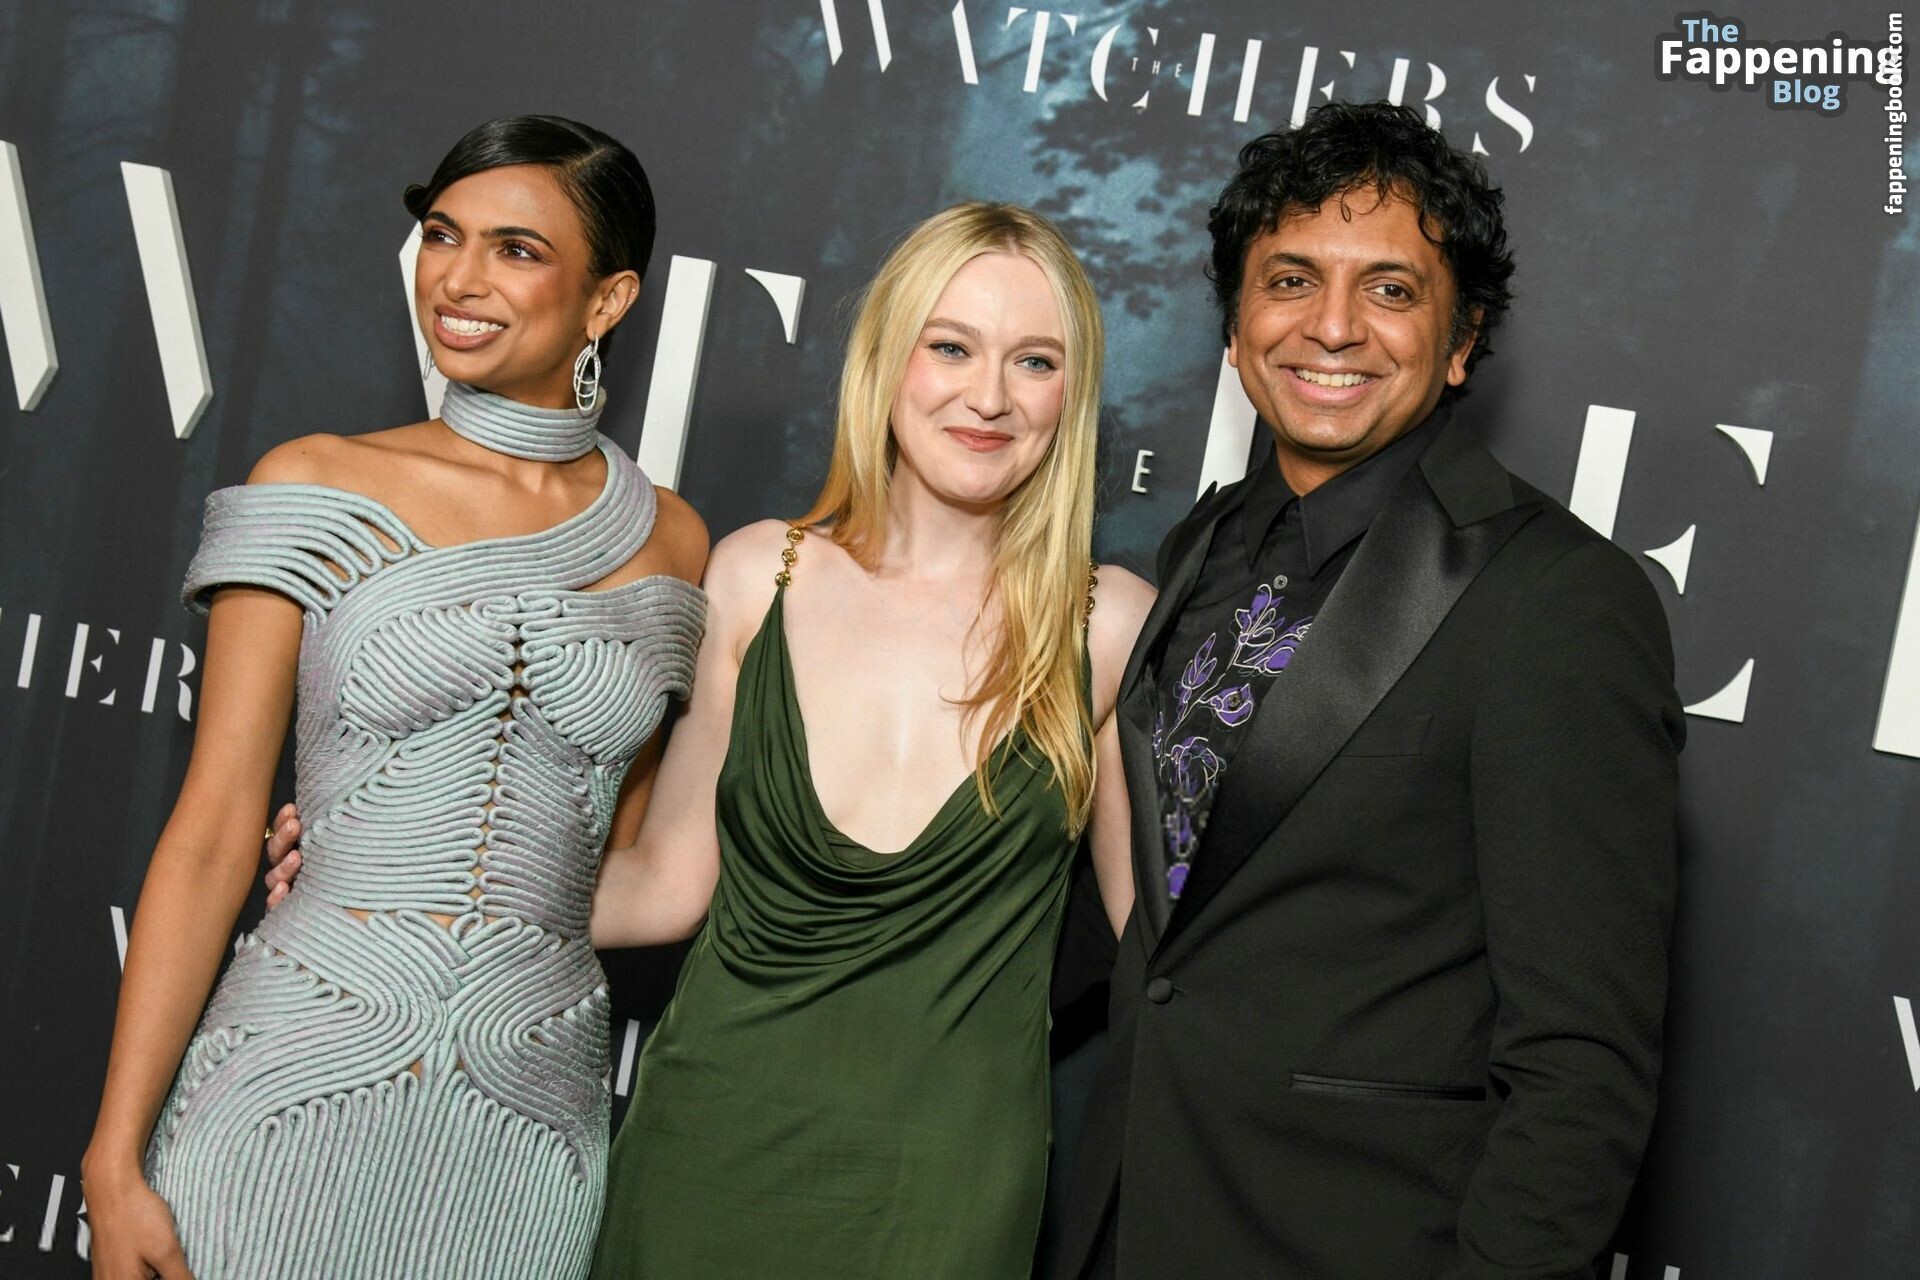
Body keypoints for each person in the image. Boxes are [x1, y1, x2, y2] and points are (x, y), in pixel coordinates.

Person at [265, 201, 1155, 1277]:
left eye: (1035, 361)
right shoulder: (758, 574)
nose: (990, 396)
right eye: (952, 347)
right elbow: (664, 886)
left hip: (947, 1187)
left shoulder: (1108, 628)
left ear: (1073, 393)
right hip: (708, 1146)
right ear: (886, 361)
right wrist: (391, 875)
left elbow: (1159, 949)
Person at [1052, 101, 1685, 1278]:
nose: (1332, 325)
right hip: (1125, 1214)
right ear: (1236, 328)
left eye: (1390, 289)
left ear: (1461, 339)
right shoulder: (1206, 541)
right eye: (1290, 279)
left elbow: (1581, 1065)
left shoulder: (1558, 599)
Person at [80, 115, 708, 1280]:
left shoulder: (672, 541)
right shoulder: (318, 481)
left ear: (608, 299)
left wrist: (426, 868)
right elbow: (213, 830)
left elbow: (613, 862)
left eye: (517, 249)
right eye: (443, 234)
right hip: (290, 1077)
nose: (459, 279)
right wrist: (114, 1160)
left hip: (526, 1124)